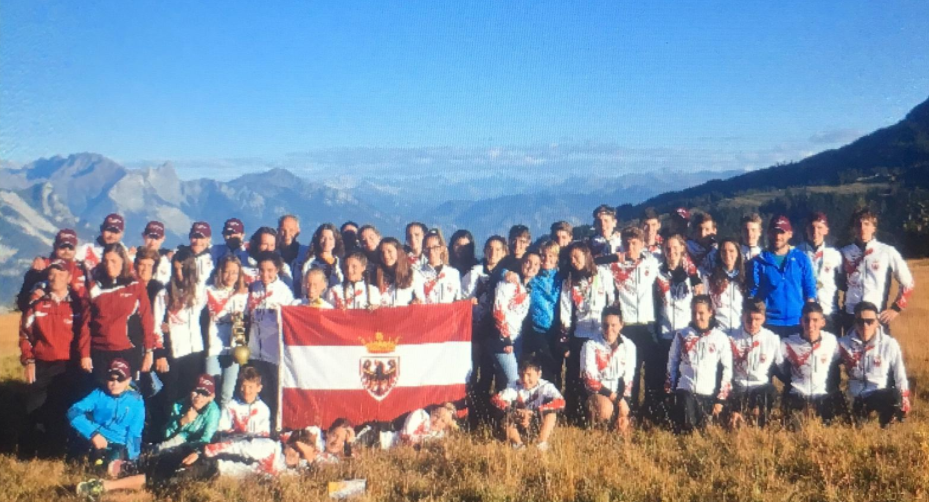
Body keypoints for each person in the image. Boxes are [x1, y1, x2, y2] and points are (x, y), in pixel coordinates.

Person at [76, 427, 326, 498]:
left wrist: (309, 457)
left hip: (226, 486)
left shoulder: (297, 472)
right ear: (288, 443)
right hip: (215, 467)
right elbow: (232, 445)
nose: (295, 455)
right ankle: (102, 486)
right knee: (164, 479)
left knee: (167, 486)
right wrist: (204, 452)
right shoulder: (270, 447)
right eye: (294, 448)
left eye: (300, 454)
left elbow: (319, 480)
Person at [18, 259, 91, 457]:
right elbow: (25, 335)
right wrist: (29, 361)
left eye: (61, 274)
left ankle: (60, 451)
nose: (55, 278)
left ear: (69, 277)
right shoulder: (36, 304)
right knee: (34, 407)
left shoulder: (78, 306)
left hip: (69, 365)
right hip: (41, 364)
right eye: (52, 274)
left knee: (64, 408)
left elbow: (86, 334)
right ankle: (28, 453)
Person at [597, 226, 662, 420]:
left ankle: (649, 411)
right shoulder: (614, 265)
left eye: (634, 243)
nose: (630, 247)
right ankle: (628, 411)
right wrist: (613, 258)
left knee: (652, 370)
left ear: (642, 245)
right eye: (627, 243)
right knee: (629, 371)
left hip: (648, 323)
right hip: (627, 325)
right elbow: (593, 262)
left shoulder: (651, 262)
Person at [559, 242, 616, 422]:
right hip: (580, 334)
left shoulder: (603, 274)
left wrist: (612, 328)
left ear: (586, 255)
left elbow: (612, 301)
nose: (574, 261)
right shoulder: (569, 281)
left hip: (601, 333)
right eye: (570, 258)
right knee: (576, 375)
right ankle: (573, 414)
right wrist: (565, 340)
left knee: (598, 374)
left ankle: (601, 414)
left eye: (577, 256)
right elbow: (565, 311)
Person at [839, 207, 915, 334]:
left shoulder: (887, 252)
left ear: (874, 228)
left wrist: (896, 308)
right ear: (853, 228)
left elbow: (908, 282)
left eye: (867, 224)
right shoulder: (843, 253)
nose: (862, 228)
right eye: (858, 225)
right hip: (851, 316)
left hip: (877, 315)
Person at [88, 243, 157, 381]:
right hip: (99, 350)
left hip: (127, 350)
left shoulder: (135, 285)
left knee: (127, 389)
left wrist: (149, 350)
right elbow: (86, 322)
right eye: (106, 261)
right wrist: (85, 354)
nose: (109, 265)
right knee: (100, 390)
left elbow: (146, 319)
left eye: (114, 261)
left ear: (123, 261)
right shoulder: (95, 286)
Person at [665, 295, 732, 433]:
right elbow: (672, 362)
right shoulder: (682, 335)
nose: (697, 317)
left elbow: (727, 370)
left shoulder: (721, 338)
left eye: (701, 313)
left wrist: (720, 400)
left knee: (706, 431)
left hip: (708, 394)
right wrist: (669, 391)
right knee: (686, 429)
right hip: (686, 390)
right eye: (694, 313)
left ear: (710, 312)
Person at [838, 301, 911, 427]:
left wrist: (904, 399)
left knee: (895, 396)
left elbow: (900, 375)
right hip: (854, 397)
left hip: (877, 394)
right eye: (860, 321)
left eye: (870, 321)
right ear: (855, 323)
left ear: (877, 322)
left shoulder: (889, 344)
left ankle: (885, 425)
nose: (865, 326)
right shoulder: (843, 344)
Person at [461, 236, 508, 424]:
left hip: (496, 332)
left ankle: (495, 415)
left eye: (497, 249)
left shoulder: (507, 273)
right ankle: (472, 414)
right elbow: (462, 297)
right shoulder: (474, 272)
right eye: (489, 248)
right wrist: (468, 302)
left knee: (494, 373)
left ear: (504, 252)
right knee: (473, 372)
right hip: (475, 329)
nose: (493, 253)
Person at [156, 248, 207, 420]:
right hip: (174, 353)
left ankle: (185, 431)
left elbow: (206, 318)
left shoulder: (200, 291)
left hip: (195, 351)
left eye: (183, 268)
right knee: (170, 397)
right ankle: (164, 430)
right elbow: (156, 325)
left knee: (190, 395)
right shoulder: (165, 293)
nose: (179, 273)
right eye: (176, 269)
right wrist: (160, 353)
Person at [748, 215, 818, 338]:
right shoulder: (759, 261)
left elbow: (810, 290)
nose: (778, 236)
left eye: (782, 232)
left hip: (797, 321)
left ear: (790, 234)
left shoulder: (801, 259)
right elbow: (754, 293)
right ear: (768, 233)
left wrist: (809, 320)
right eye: (774, 232)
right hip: (769, 323)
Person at [246, 251, 295, 426]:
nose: (265, 274)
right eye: (262, 270)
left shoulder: (284, 292)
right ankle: (257, 426)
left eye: (270, 270)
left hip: (274, 352)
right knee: (257, 389)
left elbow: (290, 322)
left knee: (274, 391)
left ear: (277, 270)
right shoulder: (253, 288)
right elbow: (244, 315)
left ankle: (275, 427)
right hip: (254, 350)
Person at [67, 358, 145, 467]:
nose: (115, 383)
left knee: (111, 468)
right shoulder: (98, 394)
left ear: (128, 380)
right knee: (79, 460)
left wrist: (132, 458)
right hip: (95, 437)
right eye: (111, 379)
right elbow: (73, 411)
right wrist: (93, 434)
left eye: (120, 379)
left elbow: (135, 433)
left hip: (118, 444)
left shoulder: (136, 401)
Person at [779, 302, 839, 427]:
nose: (810, 325)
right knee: (793, 428)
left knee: (830, 426)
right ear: (801, 321)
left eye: (815, 320)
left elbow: (837, 360)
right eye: (807, 320)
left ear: (823, 322)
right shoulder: (787, 343)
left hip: (821, 395)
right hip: (797, 394)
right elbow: (777, 365)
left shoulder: (831, 341)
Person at [726, 299, 783, 428]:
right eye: (749, 319)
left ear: (763, 319)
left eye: (757, 319)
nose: (753, 323)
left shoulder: (772, 339)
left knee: (771, 391)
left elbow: (781, 367)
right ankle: (735, 414)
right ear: (742, 317)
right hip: (738, 387)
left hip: (759, 386)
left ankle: (762, 419)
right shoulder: (730, 337)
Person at [491, 355, 565, 451]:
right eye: (522, 375)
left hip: (537, 420)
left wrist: (535, 412)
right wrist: (514, 411)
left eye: (529, 375)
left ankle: (541, 442)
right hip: (519, 420)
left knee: (551, 414)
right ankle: (518, 444)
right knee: (506, 417)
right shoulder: (514, 385)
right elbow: (496, 399)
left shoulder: (546, 386)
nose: (525, 379)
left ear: (539, 374)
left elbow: (561, 401)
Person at [581, 306, 635, 433]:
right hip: (598, 393)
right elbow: (590, 381)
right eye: (605, 325)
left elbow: (628, 380)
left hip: (619, 395)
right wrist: (618, 400)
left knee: (625, 426)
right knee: (604, 410)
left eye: (613, 325)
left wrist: (624, 408)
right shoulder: (590, 345)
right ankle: (596, 425)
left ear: (621, 325)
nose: (609, 329)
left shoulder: (629, 346)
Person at [204, 255, 249, 406]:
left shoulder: (243, 295)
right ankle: (210, 420)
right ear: (220, 271)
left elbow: (248, 321)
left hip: (233, 350)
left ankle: (224, 420)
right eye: (227, 271)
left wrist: (240, 320)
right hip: (213, 348)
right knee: (210, 391)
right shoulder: (208, 291)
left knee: (227, 394)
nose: (230, 276)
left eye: (235, 272)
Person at [491, 252, 541, 388]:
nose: (531, 267)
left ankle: (501, 402)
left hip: (516, 339)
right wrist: (505, 339)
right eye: (528, 262)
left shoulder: (527, 287)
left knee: (507, 381)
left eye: (536, 264)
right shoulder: (509, 282)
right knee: (515, 381)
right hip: (502, 339)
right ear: (522, 262)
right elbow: (498, 311)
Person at [522, 240, 564, 388]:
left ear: (557, 258)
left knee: (556, 366)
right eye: (543, 255)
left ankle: (556, 396)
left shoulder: (561, 278)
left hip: (557, 329)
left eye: (551, 255)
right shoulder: (533, 277)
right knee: (544, 366)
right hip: (538, 329)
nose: (547, 259)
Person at [18, 229, 88, 311]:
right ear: (55, 246)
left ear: (75, 249)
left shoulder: (83, 269)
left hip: (76, 314)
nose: (67, 251)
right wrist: (34, 298)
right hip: (45, 314)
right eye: (62, 247)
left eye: (70, 247)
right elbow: (22, 301)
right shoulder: (41, 268)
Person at [797, 212, 842, 332]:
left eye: (819, 227)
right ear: (806, 229)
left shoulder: (835, 255)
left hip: (828, 312)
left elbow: (843, 282)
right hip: (805, 315)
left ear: (826, 230)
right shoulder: (797, 253)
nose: (815, 232)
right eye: (812, 227)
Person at [156, 374, 221, 452]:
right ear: (191, 391)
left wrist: (196, 452)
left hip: (199, 445)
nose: (199, 396)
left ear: (211, 397)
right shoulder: (179, 406)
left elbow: (207, 438)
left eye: (204, 394)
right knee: (162, 448)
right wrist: (181, 422)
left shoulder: (213, 411)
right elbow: (166, 434)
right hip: (180, 438)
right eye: (197, 391)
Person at [704, 238, 746, 332]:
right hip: (718, 332)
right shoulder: (710, 279)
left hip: (740, 333)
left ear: (738, 253)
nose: (727, 254)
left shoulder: (745, 279)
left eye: (731, 251)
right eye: (723, 251)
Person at [217, 366, 271, 437]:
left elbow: (264, 435)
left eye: (250, 387)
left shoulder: (263, 409)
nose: (246, 391)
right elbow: (223, 429)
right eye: (243, 386)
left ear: (259, 388)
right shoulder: (230, 406)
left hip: (255, 442)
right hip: (234, 441)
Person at [375, 238, 424, 307]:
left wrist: (416, 301)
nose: (386, 256)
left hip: (404, 312)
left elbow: (421, 299)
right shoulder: (376, 275)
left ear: (398, 252)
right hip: (383, 312)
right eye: (382, 252)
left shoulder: (412, 274)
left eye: (389, 251)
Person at [417, 229, 462, 304]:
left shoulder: (453, 274)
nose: (431, 252)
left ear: (442, 248)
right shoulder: (418, 274)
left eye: (435, 247)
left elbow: (458, 300)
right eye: (427, 248)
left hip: (448, 311)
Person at [299, 223, 345, 295]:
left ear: (336, 240)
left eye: (330, 239)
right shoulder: (310, 263)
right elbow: (304, 289)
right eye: (323, 238)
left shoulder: (342, 263)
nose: (327, 242)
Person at [140, 221, 173, 285]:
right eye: (150, 237)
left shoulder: (169, 263)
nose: (152, 243)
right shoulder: (133, 259)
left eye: (156, 238)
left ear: (163, 239)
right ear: (143, 236)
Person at [686, 211, 717, 275]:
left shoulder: (719, 251)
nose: (703, 233)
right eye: (700, 229)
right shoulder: (686, 248)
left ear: (714, 231)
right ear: (695, 230)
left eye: (707, 229)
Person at [186, 221, 215, 288]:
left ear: (208, 239)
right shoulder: (180, 255)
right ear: (190, 238)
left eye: (202, 238)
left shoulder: (216, 256)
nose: (198, 241)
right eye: (195, 237)